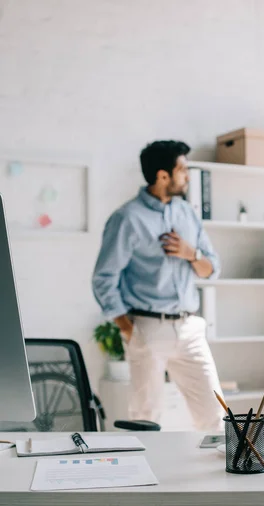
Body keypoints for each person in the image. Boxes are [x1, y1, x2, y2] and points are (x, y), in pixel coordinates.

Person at [92, 140, 223, 430]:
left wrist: (191, 254)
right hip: (148, 329)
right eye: (183, 170)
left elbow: (212, 269)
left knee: (215, 414)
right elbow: (104, 278)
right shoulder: (126, 218)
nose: (188, 176)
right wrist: (128, 329)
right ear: (163, 175)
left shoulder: (187, 214)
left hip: (190, 329)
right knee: (146, 418)